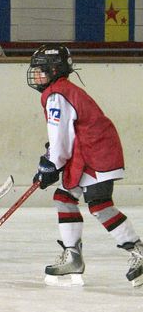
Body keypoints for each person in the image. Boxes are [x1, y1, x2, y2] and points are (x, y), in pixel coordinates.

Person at [27, 45, 143, 287]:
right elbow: (64, 136)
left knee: (100, 205)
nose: (36, 75)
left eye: (40, 70)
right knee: (64, 198)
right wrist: (50, 160)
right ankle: (73, 257)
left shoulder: (57, 94)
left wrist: (51, 165)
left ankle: (138, 251)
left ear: (54, 70)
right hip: (88, 151)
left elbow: (61, 140)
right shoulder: (62, 90)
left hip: (95, 153)